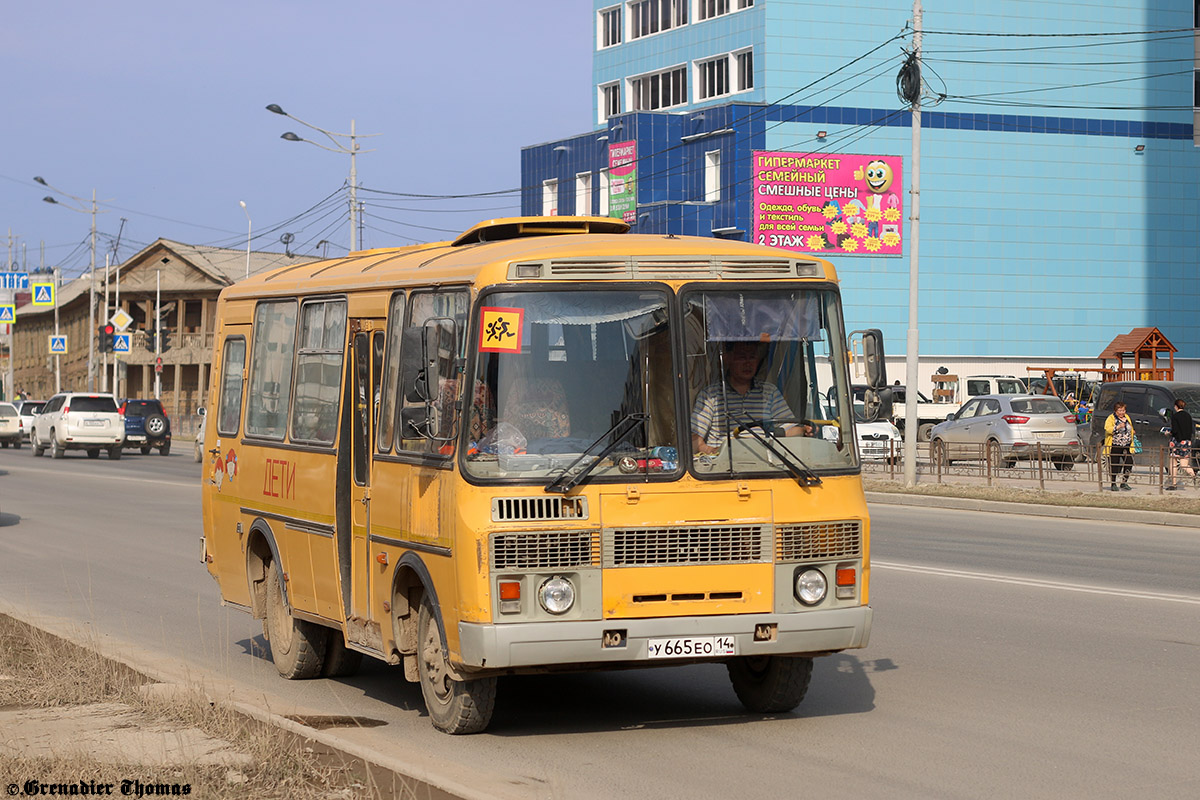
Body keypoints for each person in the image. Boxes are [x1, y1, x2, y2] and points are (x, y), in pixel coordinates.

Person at [691, 341, 800, 455]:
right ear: (728, 359)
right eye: (742, 357)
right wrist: (710, 450)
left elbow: (790, 429)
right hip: (723, 466)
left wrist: (804, 430)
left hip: (762, 463)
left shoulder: (769, 392)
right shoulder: (710, 395)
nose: (748, 363)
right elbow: (694, 437)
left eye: (752, 357)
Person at [1103, 401, 1135, 491]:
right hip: (1115, 445)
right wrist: (1117, 427)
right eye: (1120, 410)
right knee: (1114, 464)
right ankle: (1113, 483)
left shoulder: (1127, 417)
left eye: (1123, 410)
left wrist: (1132, 431)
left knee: (1129, 462)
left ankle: (1124, 482)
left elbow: (1130, 427)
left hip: (1126, 445)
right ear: (1116, 410)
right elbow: (1107, 429)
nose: (1122, 412)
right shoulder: (1111, 418)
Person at [1166, 398, 1195, 491]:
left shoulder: (1175, 416)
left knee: (1173, 462)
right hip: (1186, 442)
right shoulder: (1188, 416)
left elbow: (1175, 430)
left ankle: (1173, 484)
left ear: (1176, 406)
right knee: (1184, 464)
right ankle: (1194, 476)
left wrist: (1168, 433)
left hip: (1176, 442)